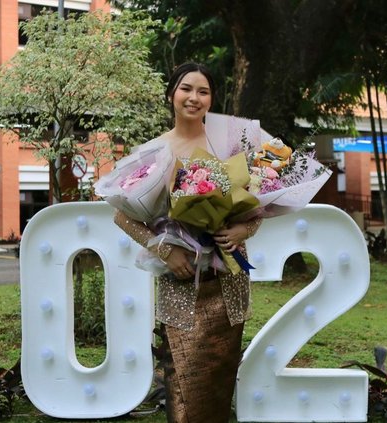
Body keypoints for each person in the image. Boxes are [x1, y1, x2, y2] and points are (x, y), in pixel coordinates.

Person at [114, 62, 261, 423]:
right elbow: (122, 216)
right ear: (171, 94)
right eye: (186, 89)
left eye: (203, 91)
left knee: (219, 375)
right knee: (181, 376)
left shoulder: (230, 143)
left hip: (229, 277)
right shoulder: (152, 151)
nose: (194, 98)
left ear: (211, 100)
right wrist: (165, 249)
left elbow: (260, 205)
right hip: (180, 278)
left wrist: (243, 232)